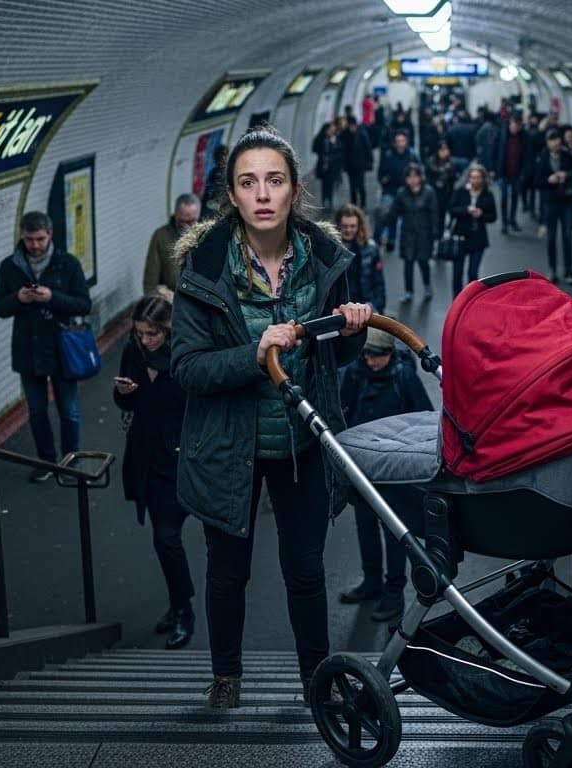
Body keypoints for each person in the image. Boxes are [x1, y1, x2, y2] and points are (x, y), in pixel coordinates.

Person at [170, 127, 371, 710]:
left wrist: (351, 331)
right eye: (248, 182)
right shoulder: (204, 270)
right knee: (228, 573)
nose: (262, 194)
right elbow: (187, 368)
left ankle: (318, 682)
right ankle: (226, 675)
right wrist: (257, 353)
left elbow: (334, 359)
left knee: (306, 572)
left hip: (302, 439)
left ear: (294, 190)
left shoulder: (325, 259)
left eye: (274, 181)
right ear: (231, 196)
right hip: (228, 444)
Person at [114, 295, 196, 650]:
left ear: (167, 330)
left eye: (152, 334)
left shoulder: (184, 356)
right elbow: (126, 403)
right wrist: (123, 393)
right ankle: (178, 604)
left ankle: (184, 611)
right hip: (145, 455)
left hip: (178, 458)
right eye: (139, 333)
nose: (144, 340)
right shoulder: (134, 352)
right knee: (161, 540)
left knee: (166, 537)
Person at [337, 327, 434, 622]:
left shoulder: (404, 377)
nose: (370, 361)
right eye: (366, 354)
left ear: (390, 354)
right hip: (363, 467)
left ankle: (394, 593)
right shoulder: (354, 374)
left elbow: (424, 419)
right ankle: (372, 583)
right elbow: (343, 412)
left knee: (395, 535)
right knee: (365, 526)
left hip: (395, 471)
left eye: (376, 356)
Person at [0, 211, 93, 482]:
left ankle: (71, 458)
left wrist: (51, 297)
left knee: (68, 409)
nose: (35, 245)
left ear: (50, 235)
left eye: (39, 238)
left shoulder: (68, 263)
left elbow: (84, 303)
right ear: (21, 237)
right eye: (29, 239)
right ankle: (47, 461)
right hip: (29, 350)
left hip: (62, 348)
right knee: (36, 411)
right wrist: (19, 298)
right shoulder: (9, 266)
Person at [383, 163, 439, 303]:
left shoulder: (428, 192)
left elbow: (434, 214)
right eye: (410, 176)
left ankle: (427, 286)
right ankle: (409, 291)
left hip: (424, 234)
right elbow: (394, 213)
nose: (413, 179)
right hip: (408, 234)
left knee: (423, 262)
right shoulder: (402, 193)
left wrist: (435, 233)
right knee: (408, 263)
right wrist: (383, 221)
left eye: (415, 176)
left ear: (420, 177)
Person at [534, 129, 572, 285]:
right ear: (548, 143)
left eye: (558, 141)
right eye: (552, 141)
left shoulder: (567, 157)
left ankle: (569, 270)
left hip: (566, 201)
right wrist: (549, 179)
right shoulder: (542, 159)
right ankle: (552, 269)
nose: (555, 144)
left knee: (567, 236)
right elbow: (537, 182)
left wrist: (566, 176)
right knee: (551, 237)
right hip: (550, 202)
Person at [448, 163, 498, 297]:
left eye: (478, 177)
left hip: (478, 238)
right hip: (461, 236)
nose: (475, 180)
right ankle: (457, 300)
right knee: (457, 272)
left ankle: (471, 300)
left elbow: (493, 216)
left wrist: (482, 214)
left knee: (473, 272)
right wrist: (466, 210)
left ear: (483, 179)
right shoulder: (461, 192)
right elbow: (452, 210)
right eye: (472, 177)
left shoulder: (487, 194)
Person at [144, 194, 201, 297]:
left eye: (191, 221)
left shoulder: (207, 236)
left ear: (198, 216)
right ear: (175, 215)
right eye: (182, 221)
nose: (187, 227)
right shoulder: (161, 236)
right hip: (169, 304)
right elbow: (150, 284)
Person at [334, 203, 386, 313]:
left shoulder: (370, 249)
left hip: (365, 308)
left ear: (359, 226)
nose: (348, 230)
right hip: (341, 311)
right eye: (345, 226)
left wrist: (375, 308)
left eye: (352, 226)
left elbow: (379, 284)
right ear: (338, 226)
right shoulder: (331, 249)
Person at [376, 130, 420, 252]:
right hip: (390, 190)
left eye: (403, 141)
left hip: (407, 191)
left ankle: (394, 240)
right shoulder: (389, 156)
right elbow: (381, 173)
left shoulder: (411, 156)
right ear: (394, 143)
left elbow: (419, 172)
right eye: (398, 141)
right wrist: (384, 180)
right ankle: (381, 238)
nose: (400, 144)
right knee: (386, 215)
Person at [495, 116, 526, 234]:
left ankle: (512, 219)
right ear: (510, 124)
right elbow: (495, 150)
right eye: (514, 125)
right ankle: (504, 222)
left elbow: (527, 154)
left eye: (518, 126)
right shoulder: (502, 135)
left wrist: (525, 171)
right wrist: (493, 168)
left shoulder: (523, 137)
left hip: (517, 172)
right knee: (503, 198)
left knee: (514, 197)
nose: (516, 128)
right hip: (504, 172)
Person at [426, 140, 460, 233]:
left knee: (443, 218)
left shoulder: (451, 164)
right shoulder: (431, 162)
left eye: (446, 149)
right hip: (434, 195)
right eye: (442, 150)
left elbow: (453, 179)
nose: (444, 152)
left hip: (446, 195)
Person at [311, 121, 345, 209]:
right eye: (330, 130)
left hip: (333, 166)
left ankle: (329, 200)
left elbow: (340, 151)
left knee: (330, 183)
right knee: (324, 183)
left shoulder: (335, 139)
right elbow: (315, 149)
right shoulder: (321, 138)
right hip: (323, 165)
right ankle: (324, 200)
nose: (331, 131)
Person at [343, 116, 374, 208]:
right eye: (350, 126)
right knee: (352, 186)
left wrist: (370, 161)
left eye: (353, 126)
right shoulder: (346, 135)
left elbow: (368, 148)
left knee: (360, 185)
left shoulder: (362, 134)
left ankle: (363, 204)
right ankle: (354, 204)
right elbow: (344, 151)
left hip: (360, 165)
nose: (352, 128)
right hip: (350, 166)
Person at [200, 144, 230, 221]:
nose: (222, 159)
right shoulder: (214, 173)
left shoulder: (232, 173)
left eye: (224, 155)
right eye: (220, 156)